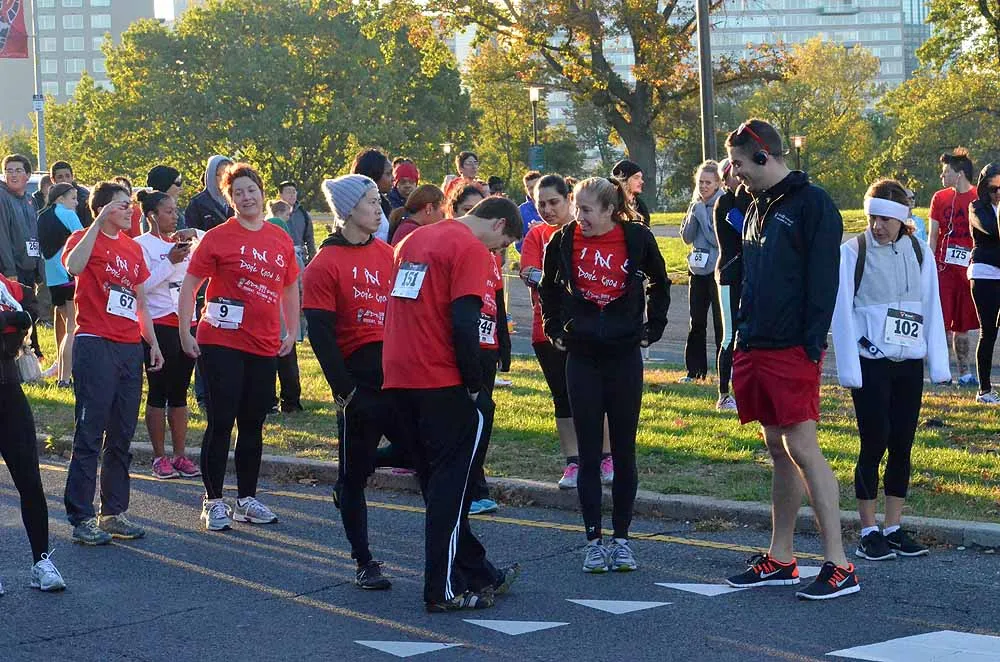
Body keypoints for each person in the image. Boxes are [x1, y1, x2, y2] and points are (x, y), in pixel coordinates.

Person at [722, 119, 859, 600]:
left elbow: (824, 282)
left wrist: (810, 345)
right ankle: (781, 558)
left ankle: (839, 564)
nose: (735, 173)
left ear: (764, 156)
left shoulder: (813, 204)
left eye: (739, 163)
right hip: (756, 341)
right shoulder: (755, 204)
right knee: (777, 448)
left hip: (792, 347)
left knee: (802, 446)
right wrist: (742, 335)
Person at [383, 195, 523, 612]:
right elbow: (465, 322)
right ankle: (441, 588)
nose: (499, 253)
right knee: (452, 487)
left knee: (435, 482)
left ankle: (475, 570)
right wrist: (474, 384)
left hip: (400, 373)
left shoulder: (413, 240)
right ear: (498, 225)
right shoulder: (471, 249)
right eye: (503, 245)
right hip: (440, 377)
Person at [539, 177, 670, 573]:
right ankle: (593, 541)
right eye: (577, 208)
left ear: (610, 210)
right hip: (582, 356)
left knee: (624, 450)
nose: (580, 216)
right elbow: (548, 288)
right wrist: (553, 327)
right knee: (590, 453)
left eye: (587, 210)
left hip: (623, 354)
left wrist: (653, 327)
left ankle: (622, 540)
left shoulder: (636, 238)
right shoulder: (562, 241)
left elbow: (660, 281)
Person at [177, 163, 300, 532]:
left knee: (253, 423)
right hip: (221, 340)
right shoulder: (217, 237)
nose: (247, 197)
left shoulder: (279, 238)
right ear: (230, 200)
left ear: (262, 193)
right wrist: (185, 330)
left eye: (251, 190)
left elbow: (289, 287)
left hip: (263, 343)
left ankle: (246, 499)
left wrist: (291, 331)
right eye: (238, 193)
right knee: (221, 421)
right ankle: (213, 501)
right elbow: (190, 286)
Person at [832, 179, 948, 560]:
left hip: (908, 362)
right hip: (872, 363)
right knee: (874, 440)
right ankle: (868, 529)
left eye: (885, 219)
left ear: (902, 219)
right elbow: (841, 311)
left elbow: (931, 306)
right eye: (872, 218)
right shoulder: (854, 251)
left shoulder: (919, 251)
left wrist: (938, 362)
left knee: (902, 442)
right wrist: (851, 366)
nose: (877, 226)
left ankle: (894, 526)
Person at [302, 174, 395, 590]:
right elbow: (321, 335)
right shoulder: (325, 264)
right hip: (358, 382)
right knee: (355, 478)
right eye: (371, 201)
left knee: (423, 453)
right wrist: (345, 391)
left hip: (398, 376)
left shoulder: (389, 255)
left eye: (378, 200)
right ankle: (364, 560)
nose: (378, 208)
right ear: (348, 209)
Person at [62, 181, 164, 545]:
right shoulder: (82, 238)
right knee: (90, 432)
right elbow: (73, 267)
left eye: (129, 205)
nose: (129, 210)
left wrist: (152, 343)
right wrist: (96, 224)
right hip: (95, 343)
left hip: (128, 346)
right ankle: (81, 517)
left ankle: (113, 513)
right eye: (121, 205)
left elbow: (140, 302)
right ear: (102, 209)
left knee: (121, 434)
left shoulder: (132, 248)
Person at [521, 174, 615, 489]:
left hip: (590, 327)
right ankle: (573, 462)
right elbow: (529, 271)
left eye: (554, 202)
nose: (547, 210)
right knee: (562, 396)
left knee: (598, 393)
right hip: (547, 328)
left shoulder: (587, 231)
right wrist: (556, 281)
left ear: (569, 200)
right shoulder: (537, 235)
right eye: (541, 204)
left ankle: (605, 456)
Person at [0, 272, 66, 593]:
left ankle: (41, 562)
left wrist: (17, 319)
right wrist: (13, 320)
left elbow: (31, 306)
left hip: (9, 390)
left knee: (30, 481)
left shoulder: (2, 284)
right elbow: (17, 319)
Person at [135, 190, 203, 480]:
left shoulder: (184, 242)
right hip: (158, 324)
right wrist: (169, 262)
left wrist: (194, 233)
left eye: (176, 211)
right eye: (169, 211)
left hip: (186, 323)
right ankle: (159, 457)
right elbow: (142, 286)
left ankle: (180, 455)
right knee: (158, 391)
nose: (175, 216)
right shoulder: (141, 245)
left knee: (180, 392)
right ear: (152, 215)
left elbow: (212, 246)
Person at [928, 148, 979, 387]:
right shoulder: (939, 198)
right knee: (942, 326)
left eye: (946, 171)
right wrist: (929, 266)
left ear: (959, 174)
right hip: (943, 271)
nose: (942, 175)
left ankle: (965, 373)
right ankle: (941, 372)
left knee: (963, 326)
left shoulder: (979, 198)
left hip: (968, 272)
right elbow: (933, 236)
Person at [466, 247, 511, 516]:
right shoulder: (461, 251)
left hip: (488, 348)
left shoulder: (492, 259)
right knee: (469, 421)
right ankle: (470, 490)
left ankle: (478, 487)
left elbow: (498, 303)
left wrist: (504, 346)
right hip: (466, 347)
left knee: (482, 420)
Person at [679, 160, 724, 383]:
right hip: (697, 271)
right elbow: (687, 237)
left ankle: (723, 371)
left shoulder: (722, 204)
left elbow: (716, 240)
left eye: (708, 182)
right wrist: (693, 214)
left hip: (716, 271)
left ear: (717, 184)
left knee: (720, 323)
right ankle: (694, 371)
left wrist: (703, 215)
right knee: (696, 322)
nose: (704, 186)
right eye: (700, 182)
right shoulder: (695, 205)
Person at [713, 158, 751, 411]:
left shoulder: (748, 200)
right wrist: (743, 196)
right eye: (734, 174)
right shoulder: (725, 202)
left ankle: (746, 388)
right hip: (729, 273)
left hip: (747, 274)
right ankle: (724, 394)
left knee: (746, 333)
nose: (740, 177)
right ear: (726, 178)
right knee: (730, 334)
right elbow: (744, 228)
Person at [37, 182, 83, 388]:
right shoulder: (67, 214)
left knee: (67, 327)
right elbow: (82, 240)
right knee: (72, 329)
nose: (76, 202)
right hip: (68, 275)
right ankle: (65, 378)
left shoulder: (42, 215)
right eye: (73, 198)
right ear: (60, 198)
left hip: (53, 279)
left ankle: (63, 375)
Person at [0, 154, 43, 360]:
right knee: (16, 315)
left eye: (18, 170)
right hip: (11, 269)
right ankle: (19, 358)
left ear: (28, 175)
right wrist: (10, 271)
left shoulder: (29, 200)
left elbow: (35, 235)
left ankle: (32, 354)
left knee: (30, 310)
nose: (13, 175)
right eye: (8, 171)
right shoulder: (2, 197)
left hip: (28, 266)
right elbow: (2, 236)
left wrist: (38, 268)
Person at [265, 197, 303, 414]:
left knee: (270, 361)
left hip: (270, 315)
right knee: (288, 359)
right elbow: (300, 283)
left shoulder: (259, 254)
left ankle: (269, 400)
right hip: (285, 315)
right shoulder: (292, 255)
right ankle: (291, 401)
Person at [968, 162, 1000, 404]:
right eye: (993, 189)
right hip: (985, 273)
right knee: (988, 330)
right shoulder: (977, 207)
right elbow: (990, 229)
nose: (998, 193)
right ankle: (985, 390)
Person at [351, 149, 393, 242]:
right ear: (374, 175)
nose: (393, 178)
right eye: (388, 174)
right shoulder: (359, 207)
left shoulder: (384, 204)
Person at [185, 155, 234, 233]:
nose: (225, 179)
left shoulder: (239, 198)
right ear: (211, 175)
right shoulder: (196, 203)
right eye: (220, 175)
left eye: (228, 174)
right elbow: (192, 234)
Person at [278, 180, 316, 266]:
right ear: (281, 195)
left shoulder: (303, 214)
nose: (292, 195)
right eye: (288, 192)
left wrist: (312, 260)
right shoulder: (274, 215)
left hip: (301, 260)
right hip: (281, 260)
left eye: (294, 192)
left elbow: (310, 240)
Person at [50, 160, 93, 228]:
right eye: (60, 177)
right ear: (53, 180)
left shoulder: (84, 197)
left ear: (72, 177)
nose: (65, 180)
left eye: (67, 176)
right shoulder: (48, 197)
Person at [611, 159, 651, 226]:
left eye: (641, 178)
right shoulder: (611, 205)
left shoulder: (640, 205)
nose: (641, 181)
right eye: (636, 178)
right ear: (623, 180)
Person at [516, 170, 543, 252]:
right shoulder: (520, 211)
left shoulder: (554, 206)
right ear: (526, 190)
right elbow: (519, 244)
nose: (534, 190)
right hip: (532, 256)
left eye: (537, 186)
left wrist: (544, 228)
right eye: (530, 188)